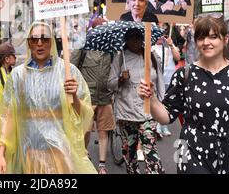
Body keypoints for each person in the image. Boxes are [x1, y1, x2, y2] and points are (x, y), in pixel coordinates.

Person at [138, 16, 229, 174]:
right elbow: (166, 116)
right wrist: (151, 98)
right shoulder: (184, 74)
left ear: (226, 39)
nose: (206, 42)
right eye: (201, 37)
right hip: (190, 151)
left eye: (213, 36)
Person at [0, 21, 96, 174]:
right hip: (28, 154)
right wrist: (1, 154)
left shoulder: (68, 72)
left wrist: (74, 96)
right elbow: (8, 116)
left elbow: (84, 114)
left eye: (45, 38)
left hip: (60, 155)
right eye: (34, 39)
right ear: (29, 43)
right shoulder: (17, 75)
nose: (39, 43)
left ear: (52, 42)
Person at [107, 28, 165, 174]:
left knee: (150, 149)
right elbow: (110, 84)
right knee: (130, 152)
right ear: (126, 41)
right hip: (127, 112)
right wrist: (120, 79)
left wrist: (162, 104)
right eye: (132, 38)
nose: (135, 41)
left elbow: (160, 82)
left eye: (138, 38)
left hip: (148, 112)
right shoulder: (120, 58)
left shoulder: (152, 57)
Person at [70, 17, 115, 174]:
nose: (104, 32)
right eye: (101, 29)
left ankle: (102, 165)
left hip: (105, 96)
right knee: (85, 130)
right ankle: (82, 156)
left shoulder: (111, 49)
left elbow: (114, 71)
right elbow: (71, 68)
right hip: (86, 98)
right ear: (93, 31)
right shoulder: (83, 46)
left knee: (103, 130)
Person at [152, 34, 181, 137]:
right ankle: (158, 124)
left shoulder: (169, 46)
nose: (160, 38)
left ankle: (164, 125)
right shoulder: (152, 48)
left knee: (166, 101)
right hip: (158, 79)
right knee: (158, 100)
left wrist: (171, 44)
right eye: (158, 36)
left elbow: (177, 57)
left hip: (169, 78)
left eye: (162, 36)